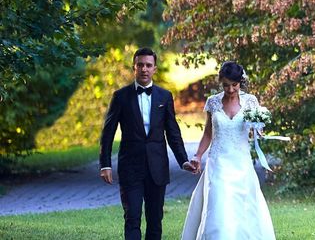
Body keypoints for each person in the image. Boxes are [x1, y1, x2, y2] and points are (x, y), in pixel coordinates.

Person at [100, 47, 197, 240]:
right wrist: (105, 165)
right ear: (134, 68)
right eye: (140, 65)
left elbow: (173, 132)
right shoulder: (120, 96)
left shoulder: (164, 96)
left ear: (154, 69)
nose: (144, 69)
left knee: (155, 220)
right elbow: (108, 133)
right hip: (130, 167)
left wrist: (183, 160)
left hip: (157, 168)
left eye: (148, 65)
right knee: (132, 217)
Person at [181, 61, 276, 239]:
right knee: (219, 205)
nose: (231, 89)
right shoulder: (213, 102)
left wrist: (258, 127)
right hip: (218, 163)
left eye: (234, 85)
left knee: (243, 208)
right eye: (226, 85)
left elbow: (256, 131)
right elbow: (208, 132)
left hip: (241, 163)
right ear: (220, 82)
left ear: (241, 82)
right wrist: (198, 155)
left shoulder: (250, 101)